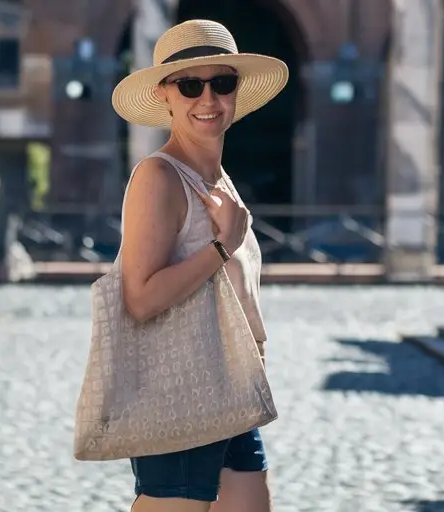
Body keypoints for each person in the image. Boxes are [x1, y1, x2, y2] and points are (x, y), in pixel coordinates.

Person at [108, 19, 289, 512]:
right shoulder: (159, 177)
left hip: (232, 395)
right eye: (191, 84)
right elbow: (139, 299)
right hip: (179, 393)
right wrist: (220, 248)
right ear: (166, 94)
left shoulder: (220, 181)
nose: (208, 98)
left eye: (222, 83)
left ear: (236, 92)